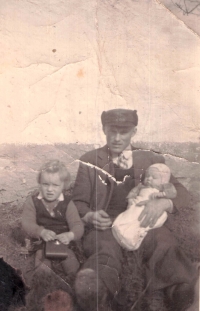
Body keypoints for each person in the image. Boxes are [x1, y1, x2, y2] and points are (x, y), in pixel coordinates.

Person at [72, 108, 198, 311]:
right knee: (104, 249)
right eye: (112, 131)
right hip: (108, 222)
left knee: (163, 243)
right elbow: (77, 202)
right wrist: (89, 215)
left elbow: (183, 194)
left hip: (144, 217)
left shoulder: (150, 160)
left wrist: (163, 203)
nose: (117, 138)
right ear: (104, 129)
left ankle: (179, 290)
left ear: (134, 132)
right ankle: (97, 294)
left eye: (124, 132)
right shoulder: (90, 160)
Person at [22, 160, 84, 275]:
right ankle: (44, 281)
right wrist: (40, 231)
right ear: (40, 184)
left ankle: (73, 282)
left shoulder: (67, 203)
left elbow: (77, 225)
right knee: (42, 259)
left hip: (63, 242)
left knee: (71, 263)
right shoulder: (33, 201)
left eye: (55, 185)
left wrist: (70, 235)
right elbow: (27, 222)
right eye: (45, 184)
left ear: (63, 186)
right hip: (41, 240)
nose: (50, 189)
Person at [112, 163, 177, 251]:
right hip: (139, 204)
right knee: (133, 216)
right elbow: (133, 193)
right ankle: (120, 228)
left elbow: (173, 193)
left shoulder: (164, 187)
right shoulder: (141, 186)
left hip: (154, 209)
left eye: (154, 177)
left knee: (162, 216)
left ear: (163, 181)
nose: (149, 179)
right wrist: (130, 199)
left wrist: (162, 194)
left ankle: (137, 235)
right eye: (147, 176)